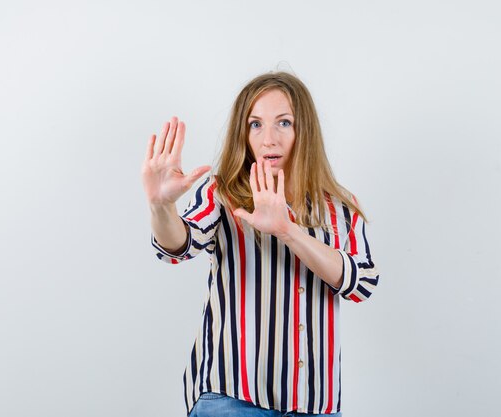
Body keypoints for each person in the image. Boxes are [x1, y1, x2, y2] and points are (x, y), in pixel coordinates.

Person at [141, 71, 379, 417]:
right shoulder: (222, 193)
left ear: (304, 131)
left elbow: (363, 283)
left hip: (315, 406)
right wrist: (161, 206)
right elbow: (178, 245)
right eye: (255, 124)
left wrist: (289, 231)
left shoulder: (339, 207)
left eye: (284, 123)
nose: (269, 139)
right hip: (232, 397)